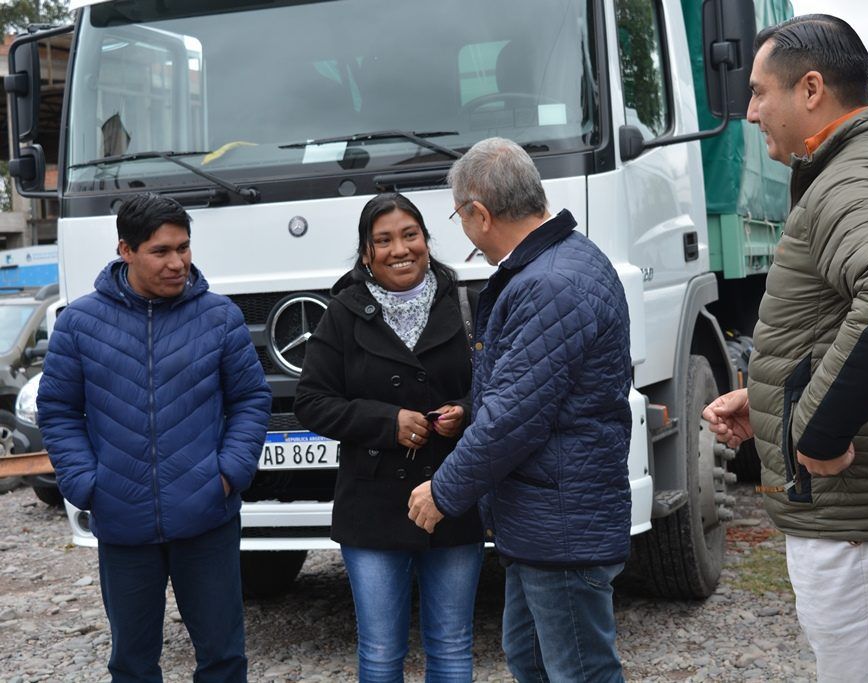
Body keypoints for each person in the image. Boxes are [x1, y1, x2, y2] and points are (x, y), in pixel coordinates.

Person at [702, 15, 868, 683]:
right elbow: (844, 321)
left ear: (812, 89)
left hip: (864, 521)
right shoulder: (864, 165)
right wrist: (771, 401)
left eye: (759, 92)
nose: (751, 112)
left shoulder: (851, 180)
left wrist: (817, 429)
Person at [407, 138, 633, 683]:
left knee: (578, 671)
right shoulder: (564, 261)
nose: (464, 229)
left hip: (560, 521)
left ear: (480, 214)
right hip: (544, 517)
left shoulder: (549, 283)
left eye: (459, 216)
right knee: (531, 660)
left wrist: (444, 491)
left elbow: (513, 416)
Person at [37, 192, 272, 682]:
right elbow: (58, 411)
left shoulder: (219, 317)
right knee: (132, 664)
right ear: (126, 250)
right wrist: (86, 484)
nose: (177, 262)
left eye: (183, 248)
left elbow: (251, 400)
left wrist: (229, 473)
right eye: (161, 251)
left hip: (207, 516)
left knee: (224, 659)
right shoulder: (78, 324)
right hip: (122, 521)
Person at [293, 193, 484, 683]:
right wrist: (387, 422)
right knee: (380, 653)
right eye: (384, 240)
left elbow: (496, 387)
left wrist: (464, 412)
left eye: (409, 235)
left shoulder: (465, 303)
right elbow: (311, 401)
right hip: (372, 505)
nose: (400, 249)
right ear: (366, 253)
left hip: (451, 496)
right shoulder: (342, 312)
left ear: (426, 240)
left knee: (452, 647)